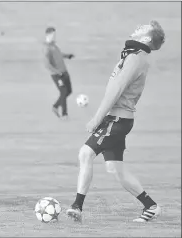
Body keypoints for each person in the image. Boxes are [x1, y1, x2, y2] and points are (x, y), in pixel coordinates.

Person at [65, 20, 165, 222]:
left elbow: (115, 91)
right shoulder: (133, 55)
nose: (137, 27)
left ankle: (77, 206)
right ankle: (151, 206)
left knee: (85, 154)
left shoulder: (136, 59)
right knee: (115, 169)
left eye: (142, 28)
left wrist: (96, 119)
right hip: (119, 119)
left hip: (116, 119)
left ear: (146, 38)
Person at [43, 27, 74, 120]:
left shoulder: (54, 46)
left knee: (69, 91)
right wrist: (57, 72)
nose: (54, 36)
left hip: (64, 72)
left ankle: (55, 106)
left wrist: (67, 56)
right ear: (48, 35)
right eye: (53, 35)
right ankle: (64, 114)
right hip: (57, 75)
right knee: (63, 91)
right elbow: (47, 64)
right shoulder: (46, 48)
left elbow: (59, 55)